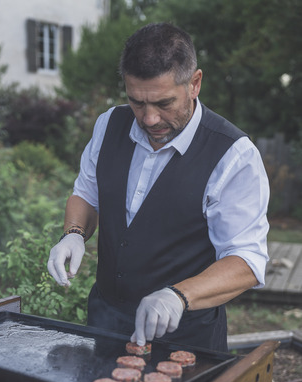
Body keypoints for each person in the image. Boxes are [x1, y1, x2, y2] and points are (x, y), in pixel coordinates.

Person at [48, 22, 269, 352]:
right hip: (105, 322)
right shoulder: (110, 124)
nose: (149, 118)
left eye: (164, 103)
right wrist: (74, 233)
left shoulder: (233, 155)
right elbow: (87, 194)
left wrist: (179, 295)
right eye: (137, 102)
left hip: (187, 339)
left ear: (194, 84)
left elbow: (247, 261)